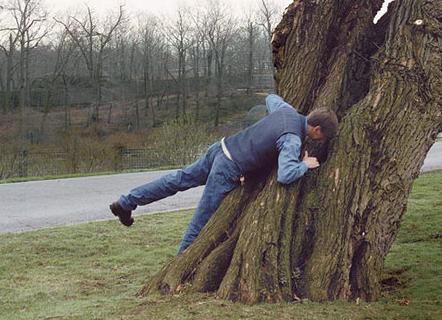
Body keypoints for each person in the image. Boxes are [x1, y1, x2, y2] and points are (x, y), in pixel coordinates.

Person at [110, 94, 338, 254]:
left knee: (175, 180)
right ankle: (181, 263)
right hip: (229, 167)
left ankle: (126, 202)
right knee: (202, 219)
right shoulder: (292, 138)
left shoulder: (286, 111)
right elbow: (285, 174)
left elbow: (270, 98)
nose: (321, 141)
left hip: (220, 148)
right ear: (316, 129)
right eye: (323, 136)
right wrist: (304, 164)